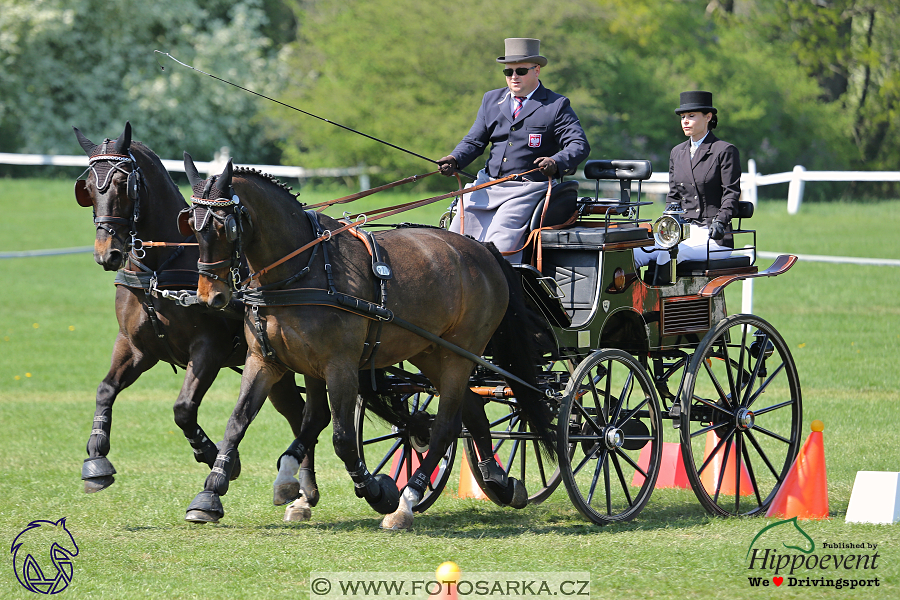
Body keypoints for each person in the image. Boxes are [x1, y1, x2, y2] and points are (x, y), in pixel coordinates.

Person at [437, 38, 590, 262]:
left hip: (527, 189)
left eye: (520, 70)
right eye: (508, 72)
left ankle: (506, 293)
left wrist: (556, 162)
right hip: (486, 185)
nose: (513, 77)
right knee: (454, 242)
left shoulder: (556, 105)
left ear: (537, 70)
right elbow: (474, 141)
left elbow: (579, 145)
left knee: (498, 246)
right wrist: (454, 159)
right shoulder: (491, 100)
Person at [634, 90, 742, 271]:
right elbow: (674, 196)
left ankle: (661, 297)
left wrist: (720, 222)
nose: (685, 121)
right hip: (681, 232)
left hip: (714, 235)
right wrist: (667, 224)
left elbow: (731, 194)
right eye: (683, 116)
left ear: (708, 117)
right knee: (635, 253)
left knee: (668, 253)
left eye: (691, 116)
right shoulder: (677, 152)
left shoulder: (724, 151)